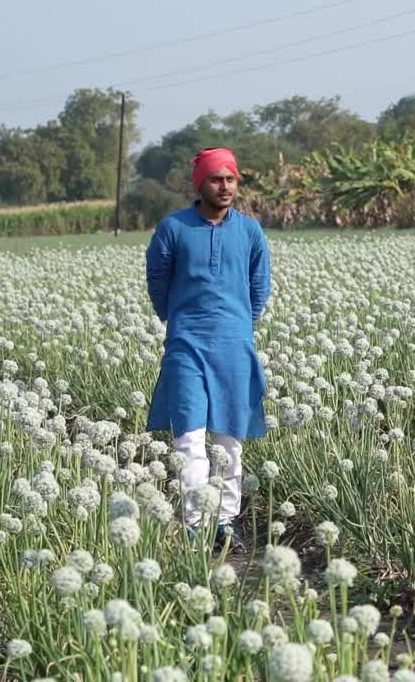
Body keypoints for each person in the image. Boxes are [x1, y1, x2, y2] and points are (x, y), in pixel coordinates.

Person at [144, 147, 271, 553]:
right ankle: (196, 523)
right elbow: (158, 283)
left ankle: (225, 524)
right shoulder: (173, 228)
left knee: (229, 442)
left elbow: (259, 286)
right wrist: (182, 319)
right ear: (200, 184)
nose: (225, 186)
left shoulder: (250, 231)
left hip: (235, 346)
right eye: (217, 179)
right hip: (186, 345)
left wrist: (236, 324)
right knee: (189, 438)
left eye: (231, 179)